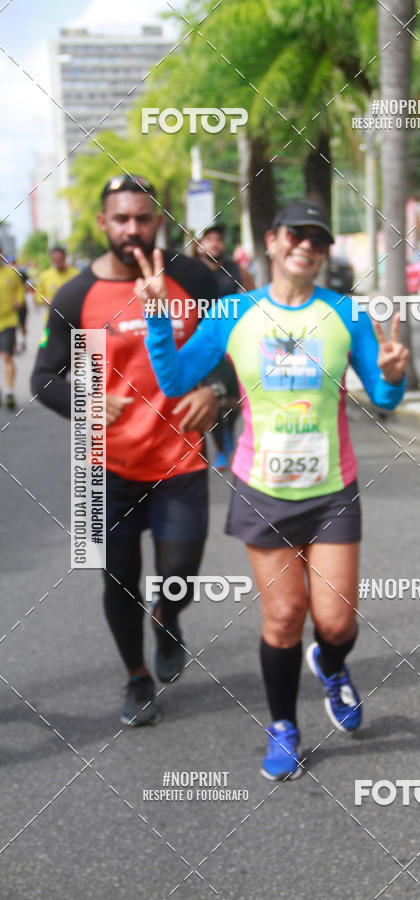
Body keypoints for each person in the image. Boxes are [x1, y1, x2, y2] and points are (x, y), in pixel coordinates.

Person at [143, 200, 410, 780]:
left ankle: (332, 666)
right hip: (262, 489)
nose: (307, 246)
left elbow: (385, 401)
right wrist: (160, 322)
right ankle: (284, 726)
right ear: (271, 240)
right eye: (297, 234)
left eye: (319, 238)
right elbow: (175, 380)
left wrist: (392, 375)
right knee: (284, 616)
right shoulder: (232, 313)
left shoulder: (348, 316)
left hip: (331, 489)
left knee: (335, 623)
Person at [31, 174, 220, 726]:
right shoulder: (75, 295)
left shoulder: (191, 278)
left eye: (142, 218)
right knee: (117, 578)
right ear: (103, 225)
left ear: (158, 220)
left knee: (179, 572)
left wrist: (217, 388)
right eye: (121, 219)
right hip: (101, 467)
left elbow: (236, 338)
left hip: (179, 459)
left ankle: (168, 617)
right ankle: (137, 679)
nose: (132, 229)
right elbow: (45, 377)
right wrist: (85, 403)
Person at [192, 225, 255, 470]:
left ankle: (229, 431)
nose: (215, 244)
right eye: (209, 239)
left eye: (218, 239)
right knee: (214, 397)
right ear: (199, 245)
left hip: (235, 343)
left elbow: (255, 299)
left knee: (236, 398)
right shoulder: (192, 272)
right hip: (204, 345)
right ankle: (222, 447)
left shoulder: (237, 270)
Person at [0, 250, 25, 409]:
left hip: (8, 321)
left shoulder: (11, 272)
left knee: (7, 356)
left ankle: (9, 391)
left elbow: (20, 290)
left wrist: (19, 301)